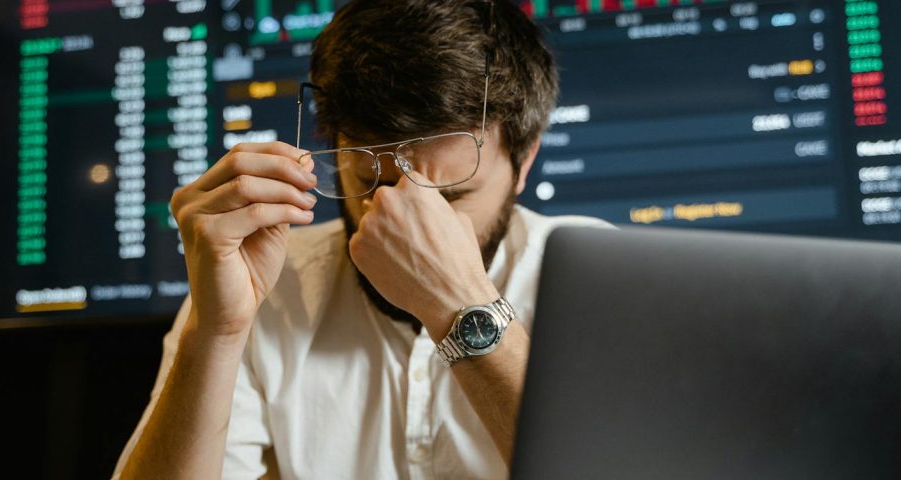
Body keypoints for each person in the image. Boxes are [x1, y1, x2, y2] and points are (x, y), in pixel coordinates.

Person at [115, 1, 609, 478]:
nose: (408, 227)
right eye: (376, 183)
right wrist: (216, 335)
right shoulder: (262, 284)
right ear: (334, 152)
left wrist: (462, 305)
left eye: (452, 197)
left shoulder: (600, 282)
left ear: (524, 163)